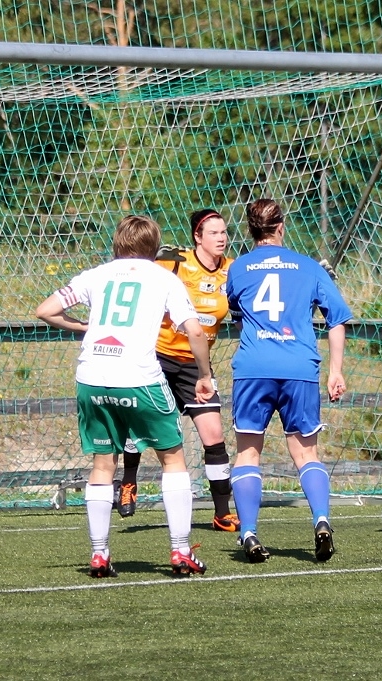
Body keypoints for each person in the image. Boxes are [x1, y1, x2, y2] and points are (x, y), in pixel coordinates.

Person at [36, 214, 213, 579]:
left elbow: (45, 310)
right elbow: (195, 331)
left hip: (92, 377)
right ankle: (181, 550)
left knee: (103, 464)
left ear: (117, 243)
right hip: (138, 377)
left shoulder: (96, 275)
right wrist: (205, 374)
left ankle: (99, 554)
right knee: (172, 459)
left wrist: (83, 327)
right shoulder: (164, 278)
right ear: (154, 247)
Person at [226, 198, 352, 563]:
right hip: (299, 366)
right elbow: (337, 320)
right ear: (281, 226)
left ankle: (249, 532)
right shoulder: (309, 266)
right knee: (306, 453)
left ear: (251, 230)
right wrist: (336, 370)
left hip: (254, 367)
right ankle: (321, 520)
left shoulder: (239, 267)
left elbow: (236, 314)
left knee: (248, 453)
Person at [115, 209, 239, 532]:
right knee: (139, 425)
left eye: (224, 232)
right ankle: (128, 482)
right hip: (158, 358)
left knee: (214, 435)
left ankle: (222, 512)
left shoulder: (232, 270)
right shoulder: (174, 263)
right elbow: (135, 275)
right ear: (197, 237)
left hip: (196, 366)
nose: (222, 238)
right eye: (213, 233)